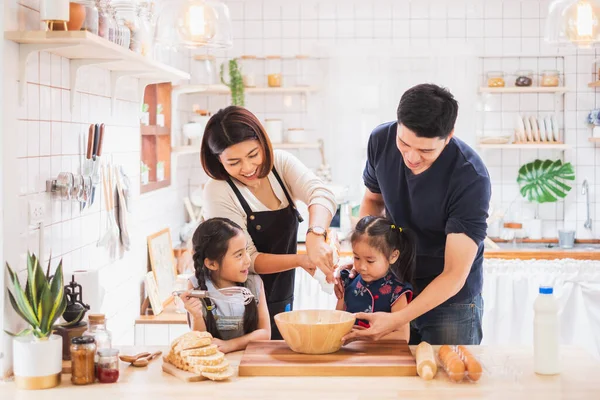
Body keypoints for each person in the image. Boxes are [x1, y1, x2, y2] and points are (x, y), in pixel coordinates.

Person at [339, 83, 491, 345]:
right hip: (394, 286)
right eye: (404, 143)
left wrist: (398, 319)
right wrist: (365, 258)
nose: (411, 157)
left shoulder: (470, 177)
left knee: (448, 379)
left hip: (449, 301)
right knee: (394, 380)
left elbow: (455, 273)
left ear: (450, 135)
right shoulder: (380, 140)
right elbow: (373, 201)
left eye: (425, 150)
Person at [200, 106, 337, 339]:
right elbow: (248, 260)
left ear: (263, 143)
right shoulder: (218, 191)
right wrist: (302, 259)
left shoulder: (280, 165)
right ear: (218, 160)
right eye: (234, 162)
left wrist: (316, 234)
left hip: (281, 290)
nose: (248, 168)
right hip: (238, 305)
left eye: (253, 155)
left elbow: (321, 193)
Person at [181, 218, 270, 354]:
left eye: (246, 251)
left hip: (248, 360)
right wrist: (196, 316)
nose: (248, 260)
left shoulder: (254, 284)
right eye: (239, 255)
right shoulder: (196, 286)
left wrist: (230, 345)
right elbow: (199, 341)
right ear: (212, 264)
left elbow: (265, 333)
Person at [336, 216, 416, 342]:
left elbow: (403, 336)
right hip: (349, 355)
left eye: (370, 261)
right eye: (356, 258)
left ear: (393, 256)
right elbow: (336, 321)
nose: (362, 267)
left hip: (382, 357)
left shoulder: (397, 291)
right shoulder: (348, 281)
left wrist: (363, 337)